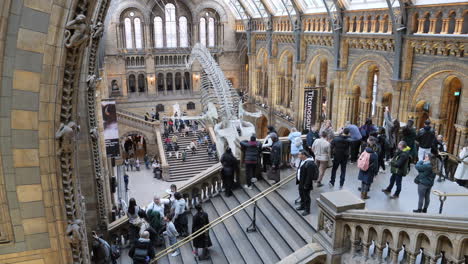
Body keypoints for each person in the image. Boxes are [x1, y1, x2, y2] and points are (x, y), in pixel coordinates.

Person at [295, 150, 317, 216]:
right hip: (301, 181)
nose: (298, 156)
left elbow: (309, 176)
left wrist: (306, 185)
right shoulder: (302, 161)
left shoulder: (310, 163)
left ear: (304, 155)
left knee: (306, 197)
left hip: (306, 183)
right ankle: (302, 206)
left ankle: (307, 210)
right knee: (301, 194)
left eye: (299, 155)